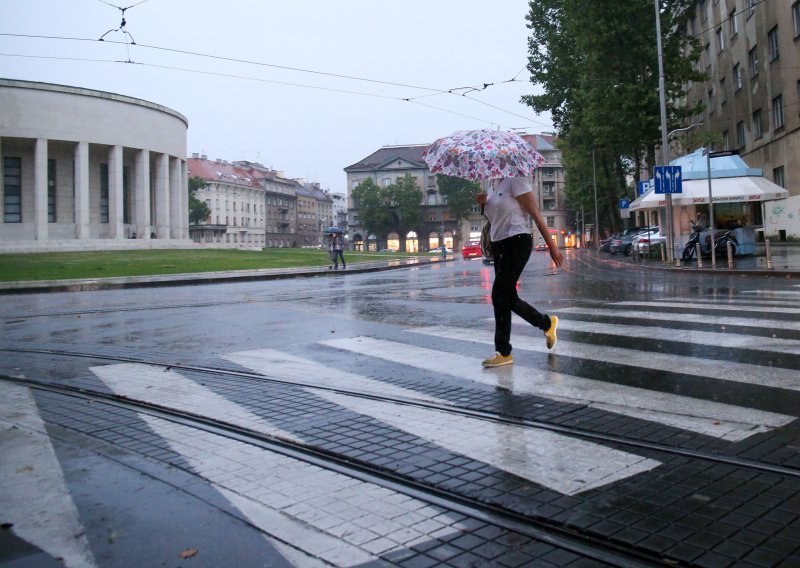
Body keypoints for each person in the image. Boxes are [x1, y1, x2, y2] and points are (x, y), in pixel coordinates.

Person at [476, 176, 564, 367]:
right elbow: (496, 217)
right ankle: (547, 324)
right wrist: (483, 205)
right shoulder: (490, 184)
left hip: (518, 241)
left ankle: (504, 352)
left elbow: (535, 213)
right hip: (498, 244)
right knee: (507, 296)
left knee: (499, 294)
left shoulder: (516, 181)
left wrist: (552, 246)